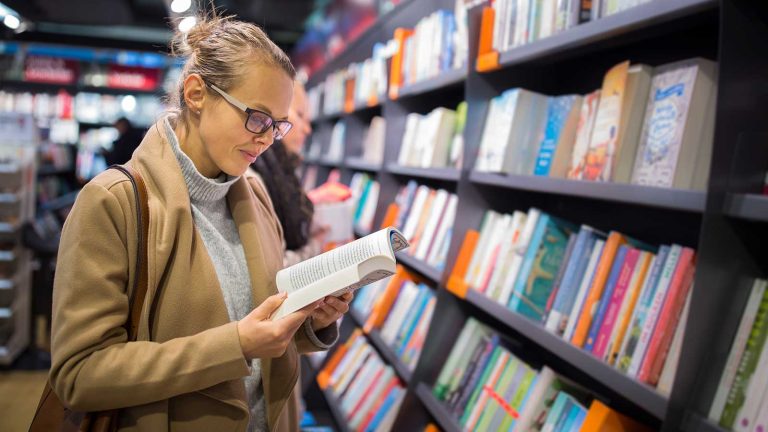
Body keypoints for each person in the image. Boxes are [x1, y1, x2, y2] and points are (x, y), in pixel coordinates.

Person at [49, 11, 352, 432]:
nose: (267, 139)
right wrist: (236, 345)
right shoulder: (112, 203)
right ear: (195, 94)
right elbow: (79, 375)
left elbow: (264, 332)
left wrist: (313, 321)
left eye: (278, 126)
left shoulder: (255, 194)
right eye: (257, 118)